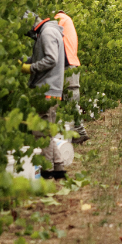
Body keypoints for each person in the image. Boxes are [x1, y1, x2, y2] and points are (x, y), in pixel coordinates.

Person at [23, 14, 68, 179]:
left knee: (41, 133)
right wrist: (25, 61)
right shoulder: (49, 31)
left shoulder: (47, 32)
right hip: (51, 89)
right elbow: (40, 58)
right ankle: (58, 168)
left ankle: (46, 171)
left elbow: (50, 59)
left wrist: (30, 69)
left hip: (46, 89)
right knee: (47, 133)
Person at [54, 10, 88, 144]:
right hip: (71, 62)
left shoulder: (59, 18)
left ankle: (79, 132)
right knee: (71, 100)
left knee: (70, 101)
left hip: (67, 63)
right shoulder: (67, 19)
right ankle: (74, 132)